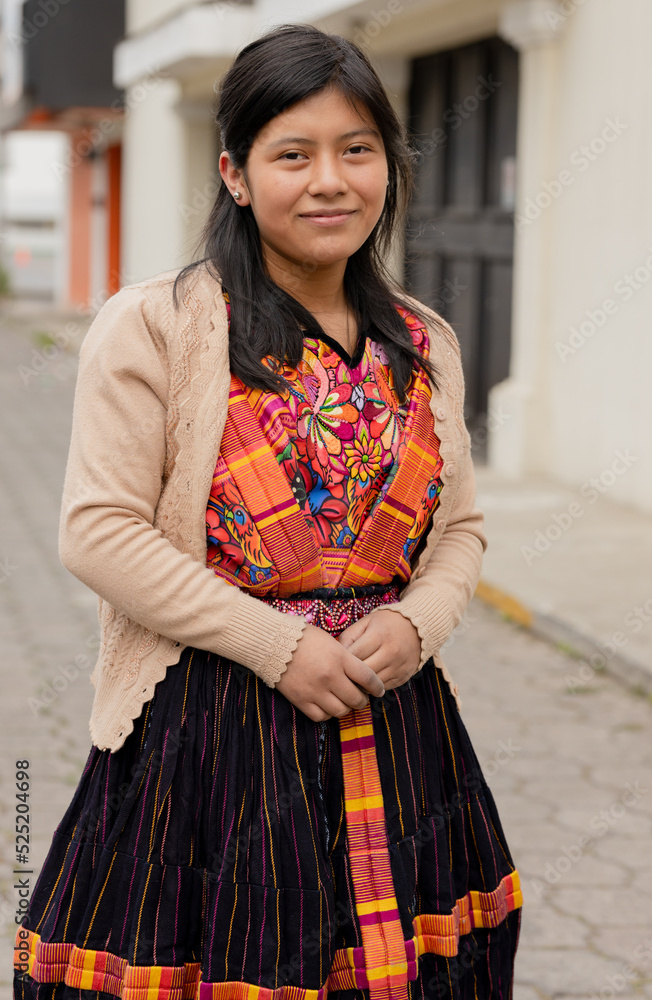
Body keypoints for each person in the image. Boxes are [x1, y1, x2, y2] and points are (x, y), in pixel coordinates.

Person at [13, 22, 522, 1000]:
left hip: (396, 723)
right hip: (208, 738)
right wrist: (276, 645)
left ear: (387, 164)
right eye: (293, 153)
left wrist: (415, 624)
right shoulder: (156, 327)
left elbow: (458, 529)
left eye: (356, 149)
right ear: (236, 175)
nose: (329, 179)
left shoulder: (424, 341)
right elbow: (99, 530)